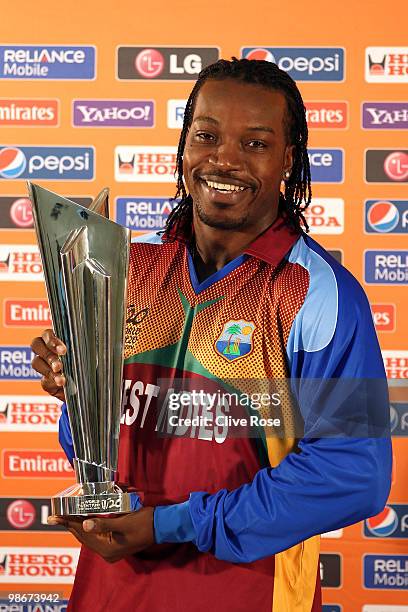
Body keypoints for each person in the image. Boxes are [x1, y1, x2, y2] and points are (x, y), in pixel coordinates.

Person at [30, 58, 391, 612]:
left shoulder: (320, 295)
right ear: (183, 145)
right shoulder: (125, 267)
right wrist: (76, 391)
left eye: (256, 143)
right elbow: (97, 444)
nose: (224, 158)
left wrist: (173, 523)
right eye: (207, 135)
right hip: (113, 592)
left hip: (247, 594)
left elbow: (352, 475)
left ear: (289, 160)